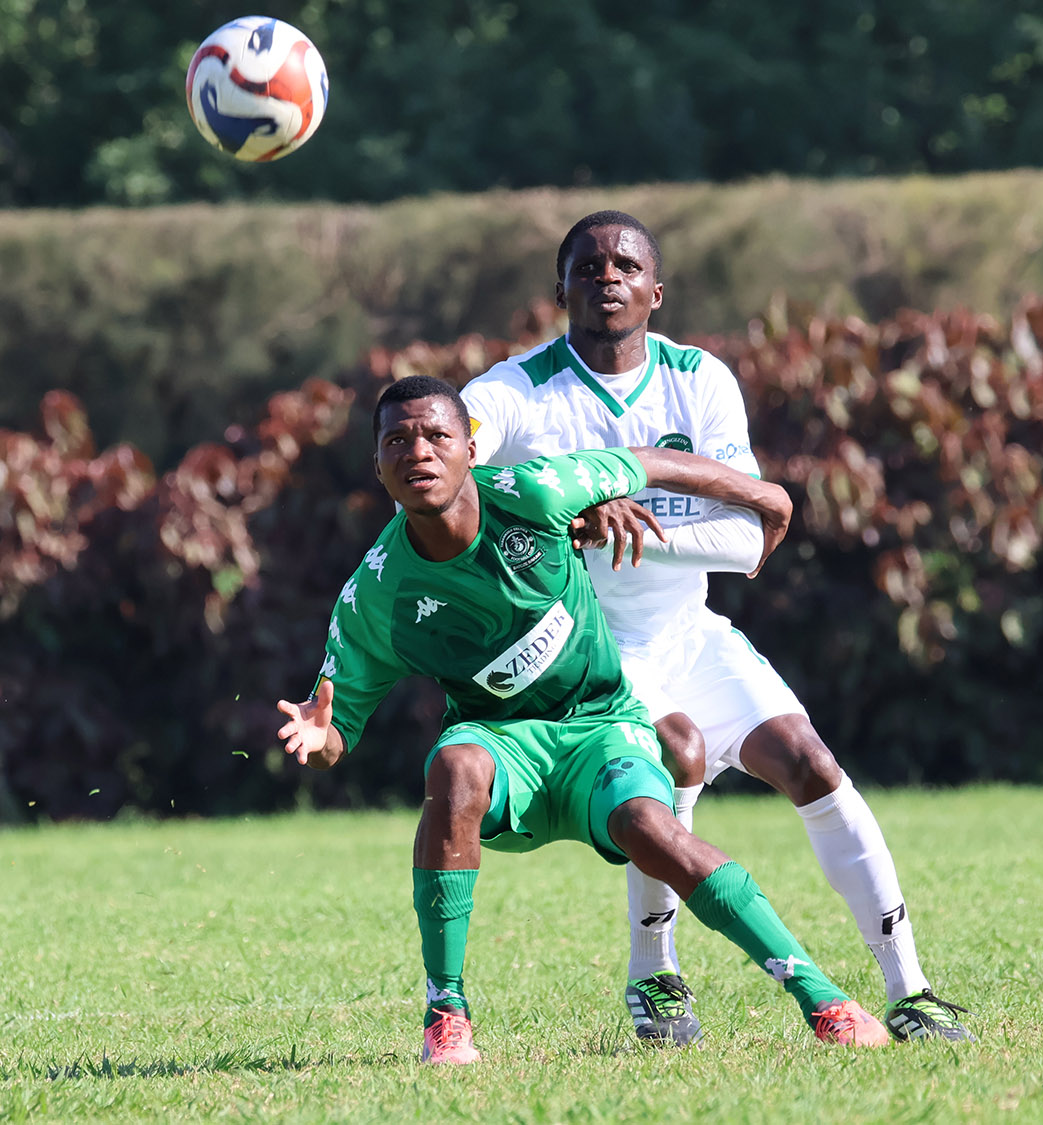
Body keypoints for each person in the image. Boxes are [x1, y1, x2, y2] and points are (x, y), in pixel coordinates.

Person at [458, 210, 972, 1044]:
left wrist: (620, 528)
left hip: (691, 631)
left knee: (811, 762)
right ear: (561, 292)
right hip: (589, 655)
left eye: (627, 265)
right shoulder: (517, 390)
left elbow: (744, 541)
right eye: (587, 267)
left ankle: (910, 987)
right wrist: (558, 507)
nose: (608, 277)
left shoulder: (699, 379)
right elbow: (453, 459)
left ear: (656, 292)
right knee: (674, 756)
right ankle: (654, 974)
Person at [276, 375, 890, 1064]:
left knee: (650, 828)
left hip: (603, 725)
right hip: (504, 745)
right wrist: (319, 734)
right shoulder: (377, 593)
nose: (418, 450)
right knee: (453, 763)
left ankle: (822, 996)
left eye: (437, 435)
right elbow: (337, 733)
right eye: (397, 439)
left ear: (471, 449)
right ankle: (446, 1011)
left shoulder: (536, 493)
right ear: (379, 465)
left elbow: (648, 460)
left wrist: (765, 497)